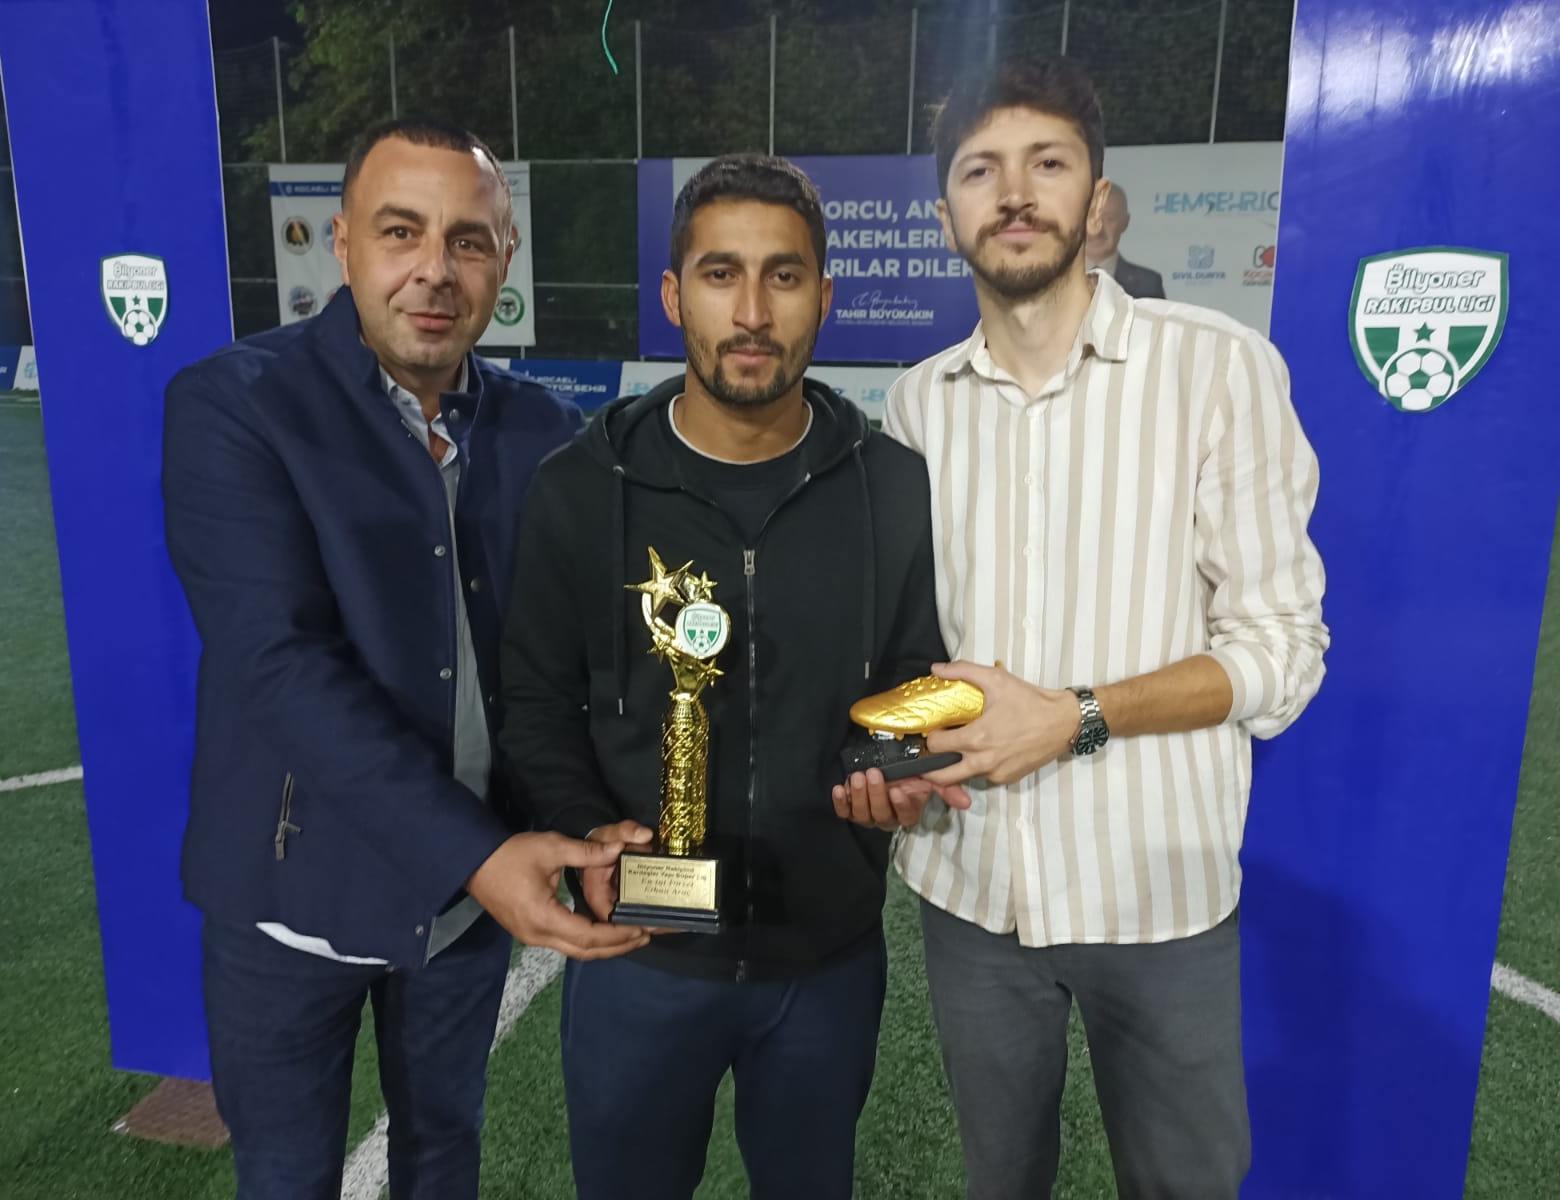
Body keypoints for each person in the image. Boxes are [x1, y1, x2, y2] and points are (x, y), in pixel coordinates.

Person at [839, 58, 1329, 1198]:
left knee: (1185, 1184)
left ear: (1095, 196)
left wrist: (1077, 717)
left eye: (1046, 163)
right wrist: (881, 756)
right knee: (1002, 1180)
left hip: (1156, 893)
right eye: (980, 171)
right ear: (947, 214)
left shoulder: (1216, 369)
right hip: (971, 890)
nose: (1014, 193)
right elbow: (916, 647)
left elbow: (1280, 649)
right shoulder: (916, 405)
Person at [162, 117, 650, 1200]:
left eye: (468, 240)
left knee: (443, 1158)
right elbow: (280, 666)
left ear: (504, 259)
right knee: (286, 1177)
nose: (435, 268)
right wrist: (479, 855)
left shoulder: (542, 432)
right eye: (400, 232)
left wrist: (584, 820)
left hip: (463, 914)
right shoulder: (236, 404)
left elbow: (559, 672)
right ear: (341, 244)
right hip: (294, 905)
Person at [498, 153, 947, 1200]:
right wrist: (584, 825)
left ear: (824, 297)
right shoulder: (580, 488)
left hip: (825, 958)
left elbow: (915, 671)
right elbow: (534, 699)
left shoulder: (892, 486)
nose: (751, 312)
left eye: (783, 276)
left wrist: (890, 765)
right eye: (719, 274)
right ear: (672, 296)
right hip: (641, 954)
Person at [1084, 182, 1165, 298]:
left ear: (1125, 223)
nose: (1098, 230)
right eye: (1091, 218)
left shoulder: (1148, 284)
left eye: (1110, 219)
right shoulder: (1056, 277)